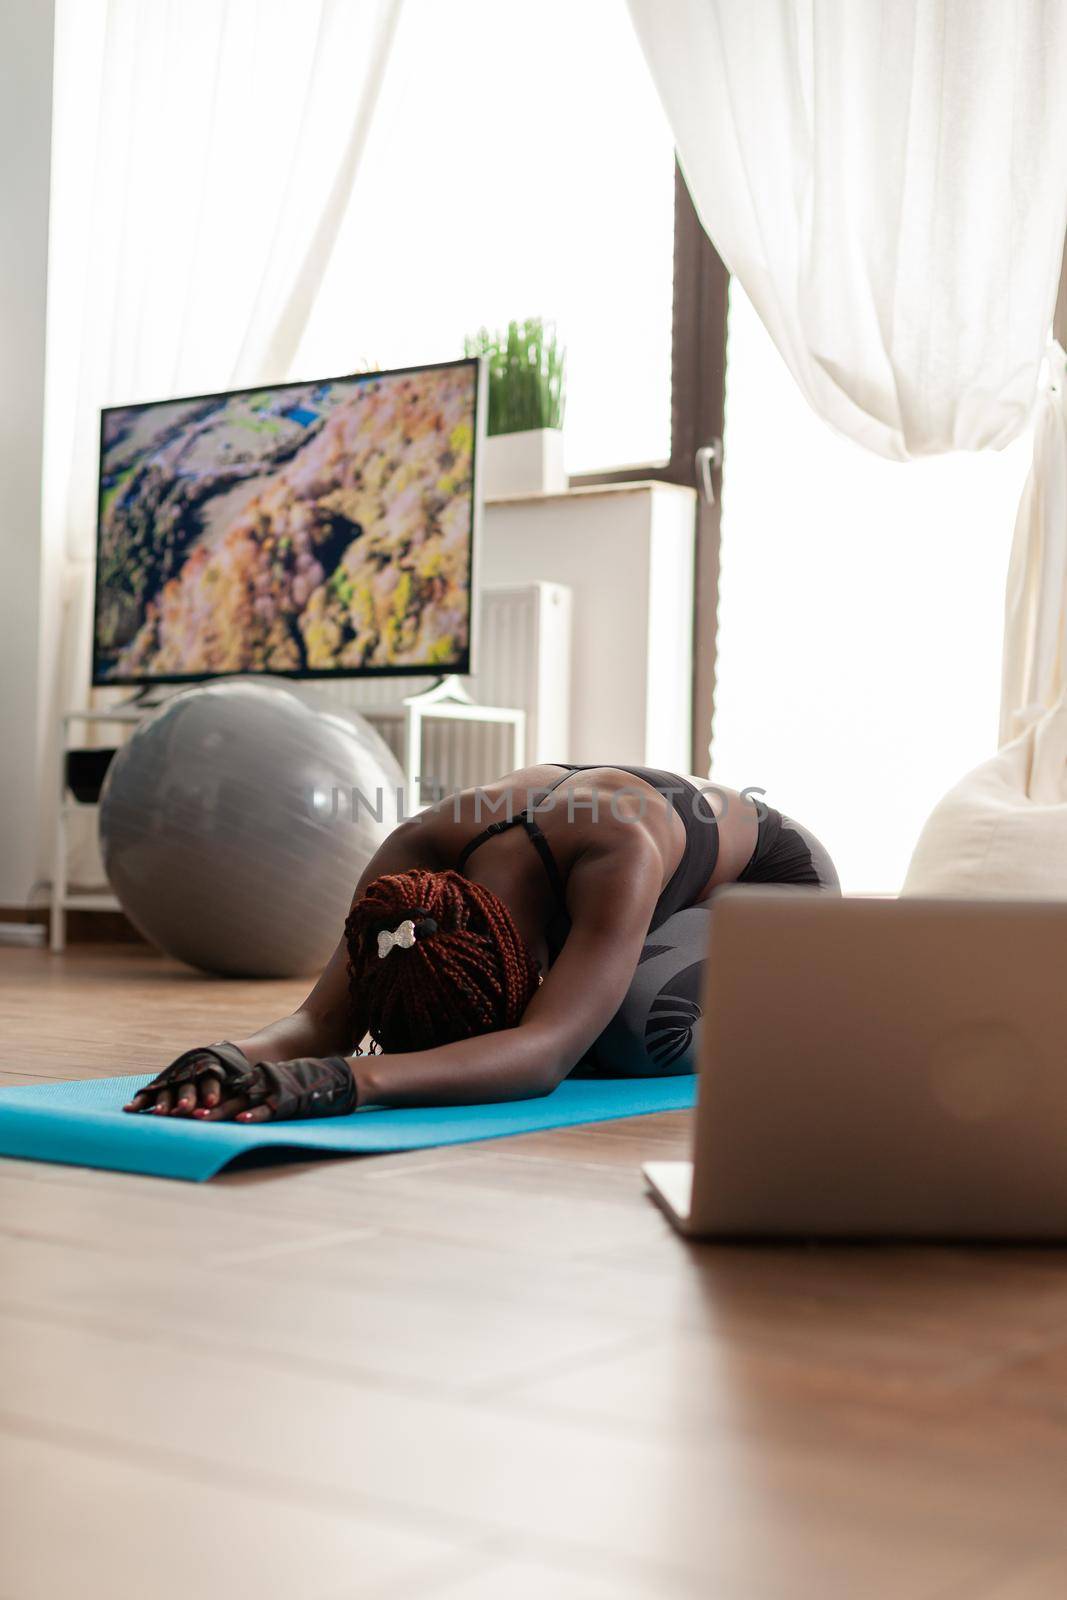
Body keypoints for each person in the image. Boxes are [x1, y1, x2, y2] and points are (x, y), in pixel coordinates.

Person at [123, 762, 839, 1124]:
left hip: (768, 891)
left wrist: (344, 1083)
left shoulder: (613, 849)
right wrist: (227, 1056)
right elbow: (322, 1020)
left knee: (627, 1035)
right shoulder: (411, 854)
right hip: (633, 895)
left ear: (523, 960)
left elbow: (543, 1056)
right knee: (570, 1020)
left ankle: (795, 1011)